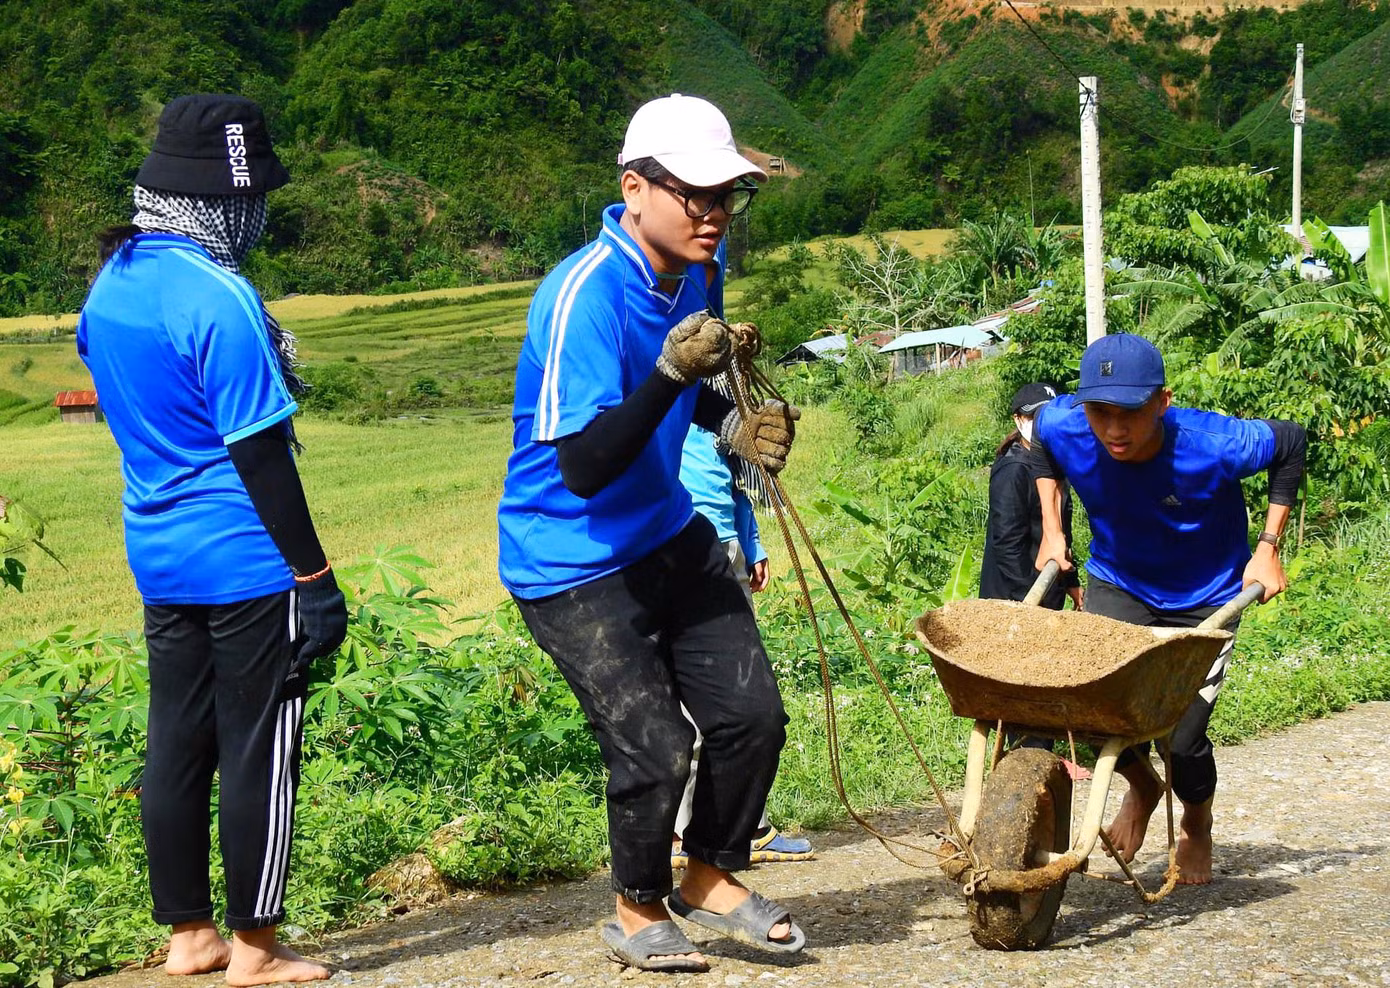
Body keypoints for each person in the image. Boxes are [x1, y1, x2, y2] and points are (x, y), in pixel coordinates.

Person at [496, 94, 804, 972]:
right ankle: (637, 909)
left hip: (666, 526)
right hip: (571, 557)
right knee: (657, 748)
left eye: (726, 195)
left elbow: (694, 380)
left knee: (753, 716)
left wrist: (734, 422)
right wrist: (673, 373)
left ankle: (709, 874)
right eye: (694, 194)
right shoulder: (581, 297)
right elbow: (585, 464)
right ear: (635, 188)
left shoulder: (700, 266)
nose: (714, 213)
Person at [77, 94, 346, 985]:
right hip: (245, 558)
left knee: (177, 742)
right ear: (227, 201)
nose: (258, 213)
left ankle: (189, 936)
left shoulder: (111, 283)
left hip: (157, 550)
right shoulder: (220, 294)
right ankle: (257, 949)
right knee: (259, 748)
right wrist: (315, 577)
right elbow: (260, 451)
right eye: (252, 197)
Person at [1030, 333, 1305, 885]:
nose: (1114, 429)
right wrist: (1053, 529)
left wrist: (1268, 548)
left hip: (1206, 597)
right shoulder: (1066, 425)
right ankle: (1142, 786)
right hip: (1119, 582)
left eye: (1130, 412)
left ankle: (1197, 823)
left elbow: (1291, 442)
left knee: (1180, 737)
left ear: (1162, 401)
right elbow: (1042, 439)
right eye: (1100, 412)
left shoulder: (1215, 443)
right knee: (1085, 707)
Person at [672, 416, 814, 867]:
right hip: (686, 544)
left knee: (742, 696)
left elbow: (734, 474)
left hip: (726, 544)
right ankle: (692, 830)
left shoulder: (717, 397)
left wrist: (750, 542)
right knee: (708, 697)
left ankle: (743, 825)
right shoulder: (665, 396)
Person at [980, 382, 1088, 780]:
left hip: (1048, 585)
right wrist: (1030, 600)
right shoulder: (1013, 469)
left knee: (1046, 673)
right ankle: (1033, 759)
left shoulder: (1053, 465)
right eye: (1035, 417)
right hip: (1017, 590)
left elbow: (1060, 532)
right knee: (1025, 677)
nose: (1042, 424)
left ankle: (1045, 755)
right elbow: (1006, 542)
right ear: (1019, 420)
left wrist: (1071, 581)